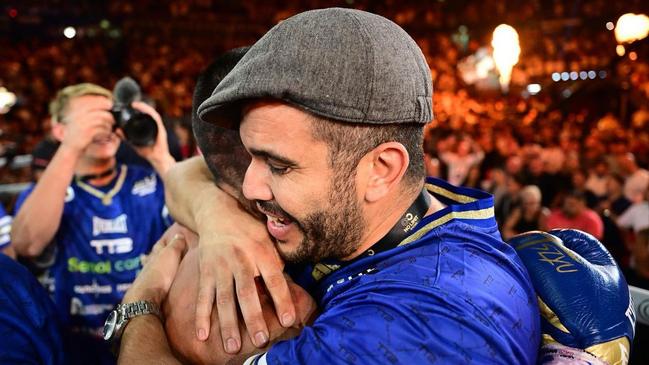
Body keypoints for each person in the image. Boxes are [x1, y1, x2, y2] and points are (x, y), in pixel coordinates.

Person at [117, 8, 541, 364]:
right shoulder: (390, 205)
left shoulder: (416, 330)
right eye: (251, 157)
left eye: (278, 166)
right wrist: (218, 219)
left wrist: (141, 305)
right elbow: (186, 173)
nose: (249, 187)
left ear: (382, 169)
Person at [11, 83, 175, 364]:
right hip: (74, 344)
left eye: (110, 116)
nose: (104, 126)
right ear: (59, 130)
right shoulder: (50, 191)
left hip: (148, 336)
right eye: (90, 118)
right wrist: (71, 147)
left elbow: (196, 219)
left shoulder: (149, 180)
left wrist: (158, 155)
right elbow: (27, 243)